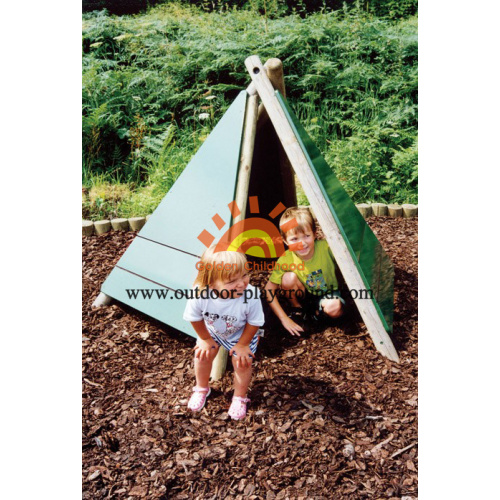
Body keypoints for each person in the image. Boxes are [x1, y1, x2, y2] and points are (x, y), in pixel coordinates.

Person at [183, 246, 264, 420]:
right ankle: (202, 388)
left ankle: (240, 398)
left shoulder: (250, 295)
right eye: (232, 281)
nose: (241, 283)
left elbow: (254, 322)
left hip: (242, 333)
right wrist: (205, 339)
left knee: (242, 362)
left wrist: (242, 345)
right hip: (213, 331)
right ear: (211, 283)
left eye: (244, 275)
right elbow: (194, 317)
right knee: (202, 355)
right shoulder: (200, 294)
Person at [264, 206, 344, 336]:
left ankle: (317, 316)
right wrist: (284, 319)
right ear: (285, 241)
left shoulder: (326, 247)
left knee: (334, 308)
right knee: (287, 278)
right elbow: (268, 290)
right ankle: (299, 310)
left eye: (306, 236)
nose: (302, 243)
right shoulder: (286, 259)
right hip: (305, 296)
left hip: (328, 293)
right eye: (294, 239)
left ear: (315, 234)